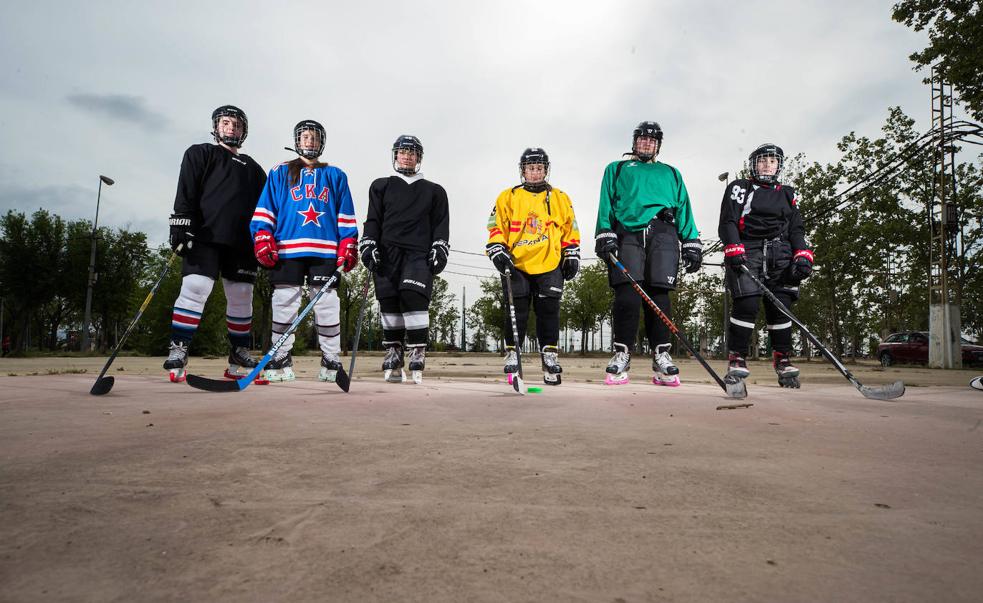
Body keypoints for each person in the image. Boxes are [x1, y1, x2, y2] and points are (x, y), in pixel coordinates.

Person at [594, 121, 703, 386]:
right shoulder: (617, 168)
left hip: (664, 234)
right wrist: (604, 232)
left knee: (659, 295)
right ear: (634, 142)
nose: (646, 144)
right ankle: (622, 352)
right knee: (627, 294)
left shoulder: (672, 173)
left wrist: (691, 240)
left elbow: (684, 208)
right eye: (642, 139)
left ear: (658, 146)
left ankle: (662, 355)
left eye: (652, 141)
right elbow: (605, 203)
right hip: (628, 234)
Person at [250, 120, 359, 383]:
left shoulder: (336, 175)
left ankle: (331, 358)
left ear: (322, 143)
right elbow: (266, 209)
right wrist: (263, 235)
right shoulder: (279, 171)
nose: (310, 141)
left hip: (325, 250)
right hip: (287, 248)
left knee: (328, 303)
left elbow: (345, 214)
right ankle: (280, 356)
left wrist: (348, 243)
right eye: (305, 137)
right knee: (284, 300)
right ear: (297, 141)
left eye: (314, 138)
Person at [164, 105, 267, 383]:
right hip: (205, 235)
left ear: (244, 131)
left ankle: (238, 352)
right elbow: (186, 190)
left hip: (243, 241)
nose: (231, 128)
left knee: (242, 294)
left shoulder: (255, 170)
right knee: (196, 287)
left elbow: (265, 210)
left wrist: (265, 239)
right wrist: (181, 223)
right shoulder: (200, 153)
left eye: (236, 124)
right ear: (216, 127)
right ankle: (179, 348)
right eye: (225, 123)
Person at [719, 143, 813, 388]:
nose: (767, 166)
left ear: (779, 166)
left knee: (781, 306)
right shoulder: (740, 187)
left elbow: (796, 228)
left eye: (773, 162)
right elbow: (728, 221)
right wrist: (733, 246)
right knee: (747, 303)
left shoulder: (788, 193)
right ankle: (737, 357)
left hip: (780, 252)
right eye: (763, 161)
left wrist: (802, 254)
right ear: (753, 164)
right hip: (748, 249)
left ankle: (782, 358)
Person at [486, 148, 580, 385]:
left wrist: (572, 253)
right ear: (523, 171)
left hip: (549, 263)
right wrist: (497, 248)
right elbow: (495, 226)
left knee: (549, 312)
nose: (535, 172)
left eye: (539, 168)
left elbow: (571, 229)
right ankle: (511, 353)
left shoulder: (560, 197)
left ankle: (549, 355)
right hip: (516, 264)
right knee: (516, 312)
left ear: (546, 170)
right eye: (531, 168)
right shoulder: (508, 197)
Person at [360, 135, 449, 384]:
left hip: (417, 253)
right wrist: (368, 244)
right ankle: (394, 351)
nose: (407, 156)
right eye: (402, 151)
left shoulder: (435, 191)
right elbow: (374, 220)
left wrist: (440, 247)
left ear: (419, 158)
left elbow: (441, 225)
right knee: (388, 299)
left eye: (412, 152)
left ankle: (418, 350)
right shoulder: (381, 185)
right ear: (395, 155)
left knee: (412, 296)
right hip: (387, 253)